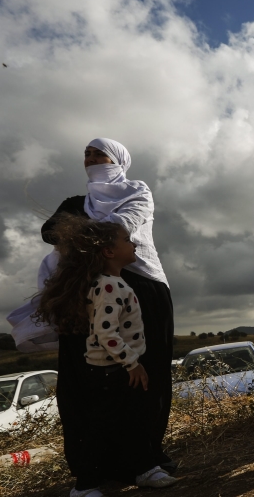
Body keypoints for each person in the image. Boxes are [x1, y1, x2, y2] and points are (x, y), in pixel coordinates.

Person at [42, 138, 176, 476]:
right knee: (88, 379)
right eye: (86, 154)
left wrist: (81, 233)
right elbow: (50, 232)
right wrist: (91, 232)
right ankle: (93, 468)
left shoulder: (138, 191)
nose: (90, 158)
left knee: (146, 375)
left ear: (118, 160)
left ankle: (144, 459)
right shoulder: (75, 202)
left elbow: (121, 225)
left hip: (143, 287)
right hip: (83, 292)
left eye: (98, 153)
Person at [34, 215, 177, 496]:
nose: (134, 243)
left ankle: (143, 467)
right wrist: (132, 364)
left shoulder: (111, 282)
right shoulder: (110, 286)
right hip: (111, 370)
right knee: (103, 426)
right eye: (126, 240)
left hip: (116, 368)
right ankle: (85, 486)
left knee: (133, 419)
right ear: (109, 252)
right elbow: (105, 334)